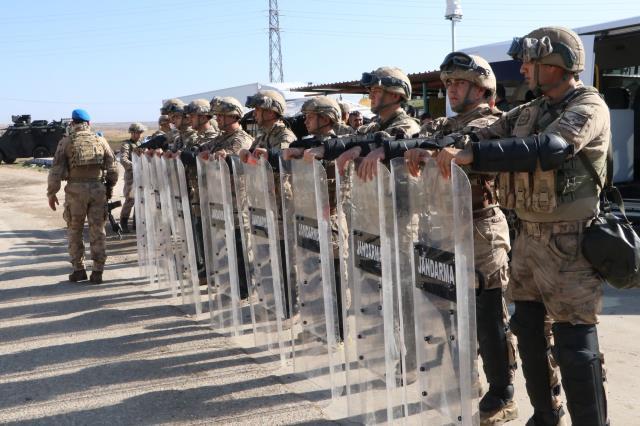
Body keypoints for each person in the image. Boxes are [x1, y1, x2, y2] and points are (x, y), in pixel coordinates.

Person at [436, 26, 610, 426]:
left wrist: (471, 153)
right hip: (528, 239)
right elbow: (473, 133)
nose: (523, 67)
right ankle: (545, 416)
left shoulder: (588, 106)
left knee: (575, 347)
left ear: (556, 63)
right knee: (528, 334)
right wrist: (430, 148)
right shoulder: (530, 110)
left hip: (571, 243)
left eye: (530, 61)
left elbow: (550, 149)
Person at [382, 53, 518, 425]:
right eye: (449, 84)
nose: (452, 90)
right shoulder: (442, 122)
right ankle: (464, 379)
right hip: (439, 226)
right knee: (445, 312)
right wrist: (412, 148)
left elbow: (474, 140)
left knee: (488, 317)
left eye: (459, 83)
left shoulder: (492, 119)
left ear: (481, 87)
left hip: (478, 228)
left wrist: (431, 148)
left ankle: (501, 393)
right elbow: (420, 138)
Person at [47, 109, 118, 284]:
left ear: (72, 123)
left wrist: (52, 193)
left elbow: (55, 170)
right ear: (89, 124)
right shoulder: (100, 140)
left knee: (74, 229)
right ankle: (97, 271)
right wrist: (108, 186)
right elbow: (113, 167)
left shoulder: (66, 141)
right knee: (98, 230)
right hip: (97, 190)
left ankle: (78, 270)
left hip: (75, 192)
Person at [302, 66, 420, 169]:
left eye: (376, 91)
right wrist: (312, 147)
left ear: (395, 94)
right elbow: (351, 139)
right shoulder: (372, 127)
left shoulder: (408, 126)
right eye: (370, 91)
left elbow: (389, 143)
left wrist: (358, 148)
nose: (370, 96)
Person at [119, 122, 147, 233]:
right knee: (130, 200)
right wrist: (135, 166)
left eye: (140, 133)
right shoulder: (126, 144)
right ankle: (124, 222)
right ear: (132, 133)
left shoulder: (140, 143)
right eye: (136, 133)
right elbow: (123, 159)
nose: (139, 135)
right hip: (131, 176)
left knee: (140, 199)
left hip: (142, 175)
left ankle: (137, 223)